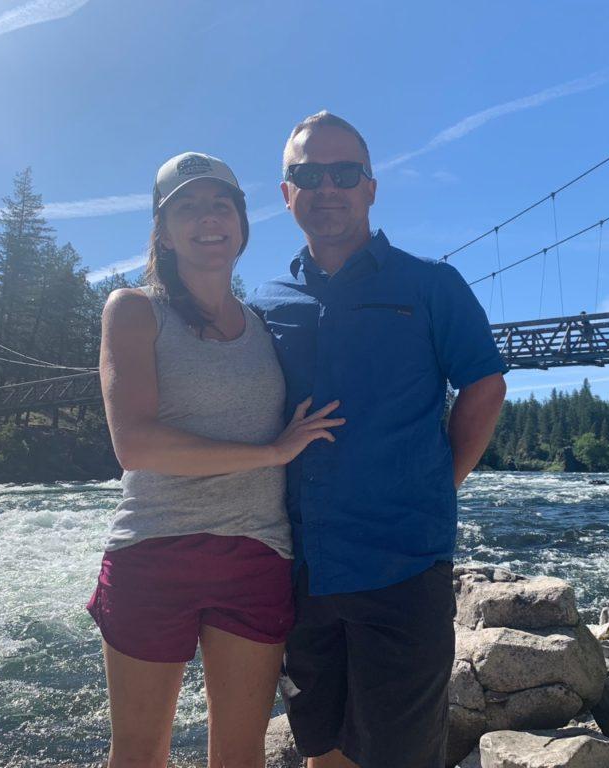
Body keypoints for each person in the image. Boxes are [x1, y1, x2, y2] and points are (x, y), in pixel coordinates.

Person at [250, 113, 508, 768]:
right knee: (323, 748)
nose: (327, 186)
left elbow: (485, 387)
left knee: (401, 756)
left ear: (371, 188)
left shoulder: (431, 286)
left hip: (403, 565)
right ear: (287, 195)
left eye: (344, 173)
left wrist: (438, 481)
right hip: (301, 568)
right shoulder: (264, 303)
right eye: (308, 174)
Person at [88, 151, 344, 768]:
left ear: (242, 225)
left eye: (221, 204)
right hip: (153, 549)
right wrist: (271, 452)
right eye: (188, 206)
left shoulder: (265, 327)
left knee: (240, 755)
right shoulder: (133, 310)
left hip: (255, 554)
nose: (208, 217)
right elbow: (137, 445)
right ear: (164, 231)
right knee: (139, 755)